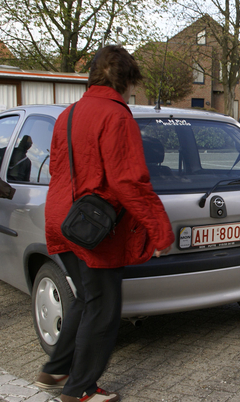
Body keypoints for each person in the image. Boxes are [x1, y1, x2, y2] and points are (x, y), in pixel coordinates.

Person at [35, 45, 175, 402]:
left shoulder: (68, 113)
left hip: (61, 219)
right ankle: (80, 389)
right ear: (125, 79)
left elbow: (57, 167)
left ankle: (55, 369)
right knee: (104, 308)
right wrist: (160, 230)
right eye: (132, 82)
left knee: (86, 298)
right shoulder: (117, 116)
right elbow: (129, 181)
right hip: (94, 229)